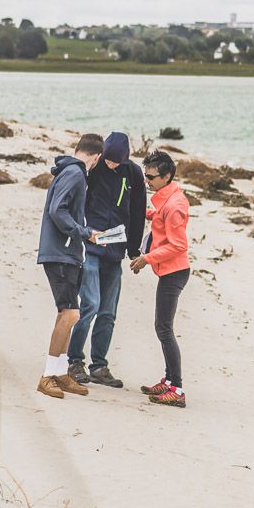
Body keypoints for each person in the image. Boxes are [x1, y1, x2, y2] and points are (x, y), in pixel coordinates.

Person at [67, 131, 146, 388]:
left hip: (116, 250)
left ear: (125, 158)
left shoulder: (133, 173)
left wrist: (134, 249)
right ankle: (74, 360)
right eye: (108, 160)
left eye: (116, 161)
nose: (111, 164)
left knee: (108, 311)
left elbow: (137, 212)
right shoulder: (93, 169)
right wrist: (82, 233)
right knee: (89, 304)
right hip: (90, 246)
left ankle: (99, 365)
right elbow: (78, 201)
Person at [36, 133, 103, 399]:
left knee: (67, 313)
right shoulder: (75, 174)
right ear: (97, 158)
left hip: (66, 252)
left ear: (77, 149)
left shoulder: (70, 171)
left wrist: (85, 233)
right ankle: (47, 376)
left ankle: (61, 372)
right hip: (60, 252)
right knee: (70, 314)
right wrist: (83, 232)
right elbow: (57, 210)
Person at [129, 150, 190, 409]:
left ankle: (177, 389)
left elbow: (178, 245)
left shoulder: (174, 206)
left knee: (164, 329)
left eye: (151, 177)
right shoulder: (168, 199)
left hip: (174, 273)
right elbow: (160, 216)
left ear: (166, 176)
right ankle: (167, 380)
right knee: (161, 327)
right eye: (145, 176)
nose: (147, 181)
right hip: (169, 271)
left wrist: (147, 258)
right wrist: (147, 214)